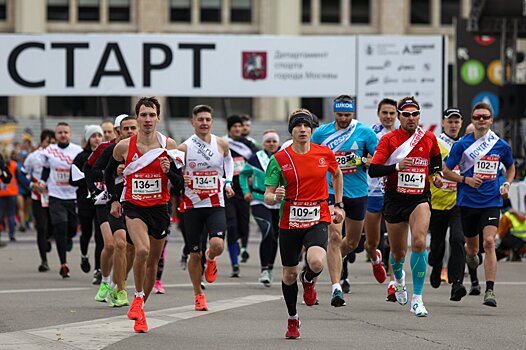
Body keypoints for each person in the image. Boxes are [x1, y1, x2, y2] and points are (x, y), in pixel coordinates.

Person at [264, 109, 344, 339]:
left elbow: (337, 174)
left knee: (317, 261)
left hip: (317, 216)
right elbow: (267, 195)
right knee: (289, 275)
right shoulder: (279, 159)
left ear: (311, 130)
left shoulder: (324, 153)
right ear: (292, 130)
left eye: (306, 126)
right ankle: (292, 319)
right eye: (298, 126)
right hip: (289, 222)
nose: (302, 130)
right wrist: (275, 196)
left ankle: (308, 280)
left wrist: (338, 204)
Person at [106, 97, 183, 333]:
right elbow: (108, 174)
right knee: (142, 250)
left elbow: (180, 186)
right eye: (143, 115)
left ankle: (142, 310)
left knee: (152, 263)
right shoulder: (123, 147)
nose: (147, 119)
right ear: (137, 117)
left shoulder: (169, 145)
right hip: (134, 207)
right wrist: (115, 199)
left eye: (152, 115)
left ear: (158, 118)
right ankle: (137, 295)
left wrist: (169, 172)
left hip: (159, 209)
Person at [369, 96, 443, 317]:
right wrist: (397, 166)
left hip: (419, 199)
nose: (411, 118)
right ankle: (399, 278)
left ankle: (417, 299)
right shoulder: (389, 140)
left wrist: (437, 175)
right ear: (400, 116)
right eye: (407, 114)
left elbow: (436, 161)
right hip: (394, 199)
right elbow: (373, 170)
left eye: (415, 114)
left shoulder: (428, 137)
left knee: (419, 242)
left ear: (419, 116)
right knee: (399, 253)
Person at [443, 102, 515, 307]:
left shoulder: (500, 145)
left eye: (485, 117)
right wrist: (466, 180)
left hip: (491, 201)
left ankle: (490, 290)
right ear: (473, 120)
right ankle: (472, 255)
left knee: (489, 242)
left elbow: (510, 168)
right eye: (477, 117)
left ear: (491, 120)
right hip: (467, 203)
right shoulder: (462, 145)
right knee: (473, 250)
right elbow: (446, 171)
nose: (481, 120)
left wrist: (507, 183)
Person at [311, 94, 379, 307]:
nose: (343, 119)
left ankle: (320, 263)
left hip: (358, 192)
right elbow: (310, 157)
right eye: (340, 114)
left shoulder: (364, 132)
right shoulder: (322, 133)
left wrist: (365, 160)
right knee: (334, 236)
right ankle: (336, 288)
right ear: (334, 112)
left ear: (353, 113)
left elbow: (379, 159)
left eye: (347, 115)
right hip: (330, 191)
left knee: (351, 242)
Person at [178, 104, 234, 311]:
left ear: (211, 122)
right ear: (193, 122)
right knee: (194, 254)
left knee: (218, 244)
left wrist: (228, 182)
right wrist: (180, 178)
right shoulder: (184, 148)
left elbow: (228, 163)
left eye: (207, 120)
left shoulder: (221, 143)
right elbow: (172, 173)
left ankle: (211, 258)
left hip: (215, 203)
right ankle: (198, 294)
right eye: (200, 119)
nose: (204, 123)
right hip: (192, 206)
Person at [91, 114, 138, 307]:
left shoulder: (145, 150)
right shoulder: (111, 150)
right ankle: (111, 285)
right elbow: (93, 170)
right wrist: (112, 174)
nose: (129, 132)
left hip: (134, 203)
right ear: (118, 132)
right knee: (115, 244)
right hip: (110, 202)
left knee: (132, 247)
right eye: (125, 129)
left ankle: (118, 280)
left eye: (132, 128)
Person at [427, 108, 467, 301]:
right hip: (436, 202)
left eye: (456, 122)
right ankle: (435, 265)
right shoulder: (434, 143)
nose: (453, 125)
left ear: (461, 124)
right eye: (449, 121)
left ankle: (457, 282)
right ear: (443, 123)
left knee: (458, 239)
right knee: (437, 245)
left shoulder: (467, 145)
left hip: (459, 202)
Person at [39, 122, 83, 278]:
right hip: (55, 195)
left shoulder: (77, 151)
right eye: (60, 132)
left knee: (72, 228)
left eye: (65, 132)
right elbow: (46, 169)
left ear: (69, 134)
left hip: (73, 195)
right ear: (55, 135)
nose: (63, 135)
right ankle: (63, 264)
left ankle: (69, 237)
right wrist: (42, 182)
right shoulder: (49, 151)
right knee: (60, 228)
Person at [239, 129, 281, 286]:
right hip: (259, 199)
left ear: (278, 143)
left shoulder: (283, 157)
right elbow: (243, 174)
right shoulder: (255, 158)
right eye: (268, 141)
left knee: (275, 236)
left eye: (274, 141)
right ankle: (264, 269)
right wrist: (246, 191)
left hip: (278, 201)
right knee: (268, 231)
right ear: (263, 143)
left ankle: (269, 268)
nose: (271, 144)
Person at [69, 125, 104, 283]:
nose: (97, 138)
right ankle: (84, 256)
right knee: (86, 234)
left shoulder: (105, 154)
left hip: (101, 201)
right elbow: (72, 180)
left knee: (100, 237)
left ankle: (98, 269)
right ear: (88, 139)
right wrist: (89, 179)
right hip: (85, 201)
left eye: (99, 135)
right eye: (93, 135)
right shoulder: (81, 157)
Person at [225, 115, 258, 276]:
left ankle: (242, 245)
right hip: (228, 190)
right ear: (229, 128)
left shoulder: (250, 145)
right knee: (231, 225)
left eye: (239, 126)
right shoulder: (223, 144)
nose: (237, 129)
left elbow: (258, 163)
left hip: (245, 190)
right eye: (234, 126)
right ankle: (234, 264)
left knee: (243, 225)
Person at [22, 129, 56, 266]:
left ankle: (49, 238)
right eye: (48, 142)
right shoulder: (33, 157)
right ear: (42, 141)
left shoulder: (58, 155)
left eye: (53, 142)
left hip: (55, 196)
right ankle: (44, 261)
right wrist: (32, 185)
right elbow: (22, 174)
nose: (50, 145)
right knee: (41, 227)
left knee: (54, 226)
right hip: (38, 197)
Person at [0, 153, 20, 242]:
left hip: (1, 193)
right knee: (11, 215)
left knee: (1, 215)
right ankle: (12, 234)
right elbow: (18, 177)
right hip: (12, 192)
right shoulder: (13, 165)